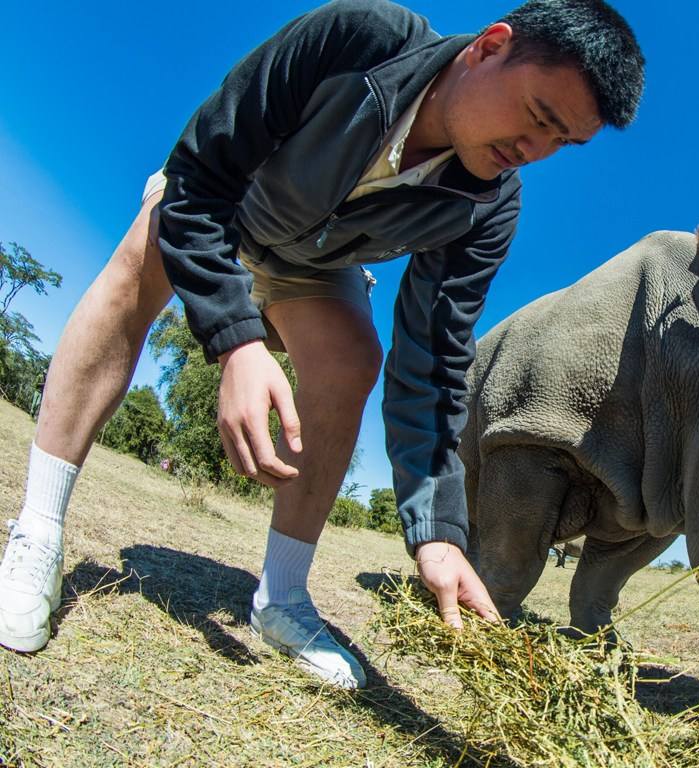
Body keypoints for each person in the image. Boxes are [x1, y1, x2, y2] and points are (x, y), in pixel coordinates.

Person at [0, 0, 644, 689]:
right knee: (147, 248)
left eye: (561, 143)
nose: (533, 151)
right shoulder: (357, 37)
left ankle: (280, 598)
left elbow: (434, 362)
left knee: (352, 361)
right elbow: (198, 185)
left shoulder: (490, 206)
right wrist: (236, 341)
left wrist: (437, 533)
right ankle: (37, 529)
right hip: (227, 204)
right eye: (539, 116)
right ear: (491, 47)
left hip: (315, 264)